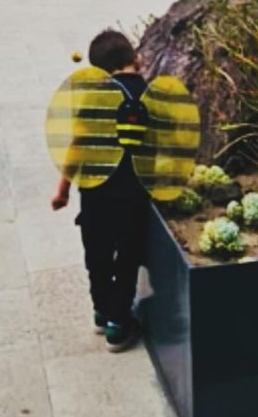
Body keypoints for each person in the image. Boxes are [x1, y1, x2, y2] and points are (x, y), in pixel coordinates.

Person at [51, 29, 149, 353]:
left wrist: (62, 190)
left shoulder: (94, 97)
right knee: (128, 257)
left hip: (93, 192)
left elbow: (77, 144)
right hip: (130, 195)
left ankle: (101, 309)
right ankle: (118, 326)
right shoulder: (149, 94)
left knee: (97, 254)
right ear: (135, 58)